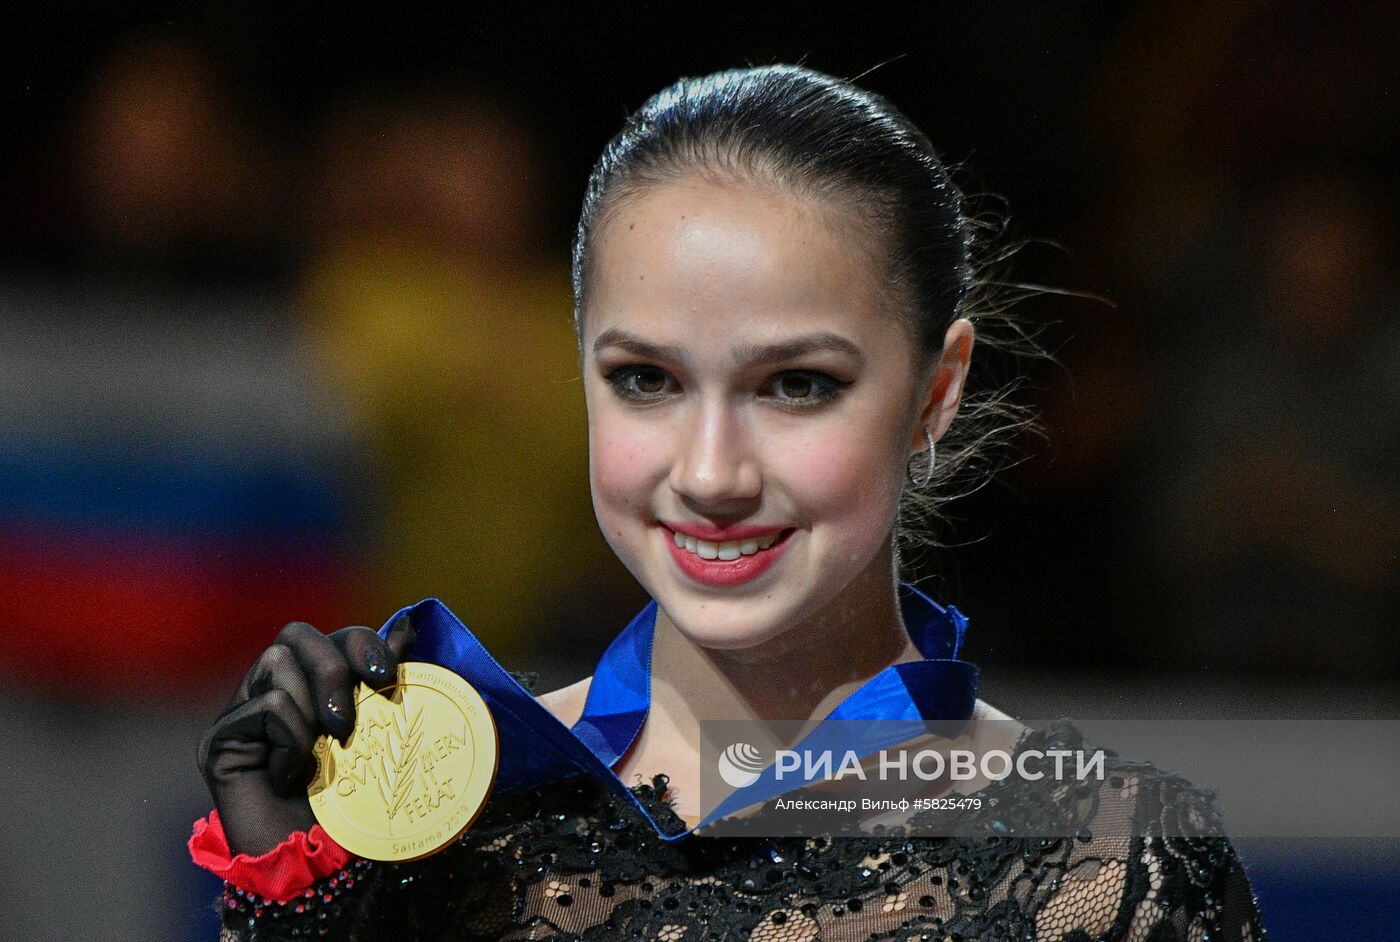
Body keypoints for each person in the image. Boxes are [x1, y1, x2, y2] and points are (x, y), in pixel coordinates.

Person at [190, 64, 1268, 941]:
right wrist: (294, 898)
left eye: (796, 384)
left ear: (933, 393)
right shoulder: (436, 837)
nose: (709, 474)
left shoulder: (1115, 869)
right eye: (644, 380)